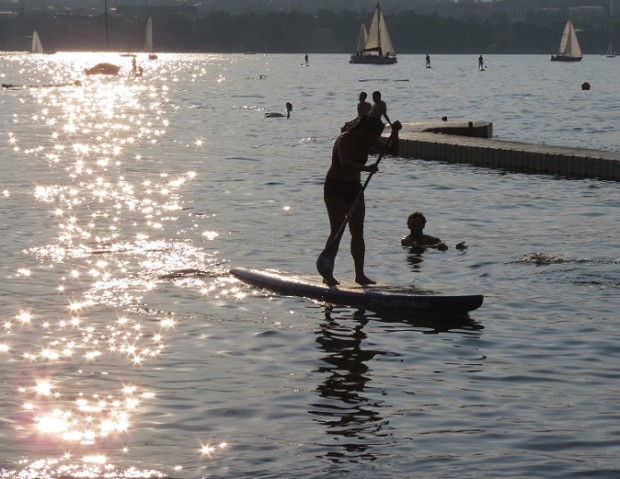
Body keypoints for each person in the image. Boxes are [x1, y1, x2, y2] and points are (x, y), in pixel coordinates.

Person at [321, 115, 401, 286]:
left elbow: (393, 152)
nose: (374, 139)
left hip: (354, 187)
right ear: (365, 131)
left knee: (358, 230)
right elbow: (345, 163)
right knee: (337, 229)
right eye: (373, 135)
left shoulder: (367, 140)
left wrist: (395, 133)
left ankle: (360, 275)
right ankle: (327, 274)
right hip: (335, 187)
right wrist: (366, 168)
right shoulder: (344, 139)